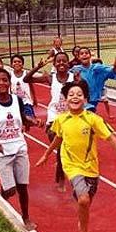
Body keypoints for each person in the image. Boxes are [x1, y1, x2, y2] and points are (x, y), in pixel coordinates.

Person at [36, 80, 116, 232]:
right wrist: (47, 154)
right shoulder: (61, 120)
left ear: (85, 99)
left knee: (86, 201)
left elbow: (111, 138)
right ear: (65, 99)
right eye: (71, 95)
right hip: (71, 165)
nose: (75, 97)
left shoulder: (93, 120)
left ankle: (82, 219)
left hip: (91, 167)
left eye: (79, 95)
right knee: (83, 200)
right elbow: (58, 138)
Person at [0, 68, 44, 231]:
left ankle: (26, 217)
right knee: (10, 190)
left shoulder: (17, 100)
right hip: (2, 152)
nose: (2, 83)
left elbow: (23, 119)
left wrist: (34, 121)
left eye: (4, 80)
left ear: (9, 83)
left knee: (23, 187)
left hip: (20, 148)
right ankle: (4, 191)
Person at [24, 52, 74, 192]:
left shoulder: (73, 77)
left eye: (64, 61)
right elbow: (27, 79)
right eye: (58, 61)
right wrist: (37, 67)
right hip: (54, 119)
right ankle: (61, 180)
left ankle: (64, 175)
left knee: (67, 150)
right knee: (60, 149)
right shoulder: (50, 78)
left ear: (68, 63)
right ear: (54, 64)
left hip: (70, 118)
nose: (61, 63)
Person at [70, 47, 116, 112]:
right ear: (78, 57)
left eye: (86, 53)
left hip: (94, 99)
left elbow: (112, 73)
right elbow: (65, 77)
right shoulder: (76, 69)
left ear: (90, 56)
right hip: (80, 98)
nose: (84, 54)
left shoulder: (97, 68)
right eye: (82, 53)